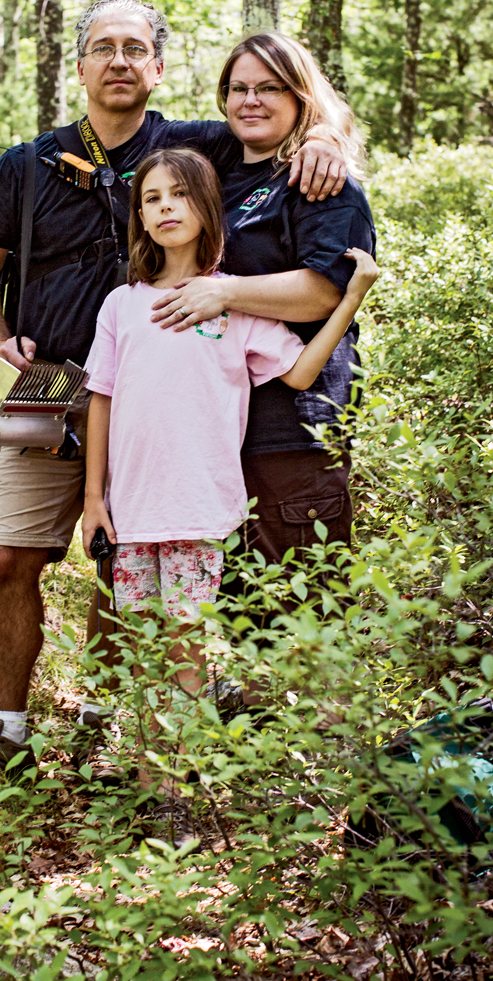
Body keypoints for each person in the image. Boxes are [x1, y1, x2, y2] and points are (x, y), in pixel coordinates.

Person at [0, 0, 349, 795]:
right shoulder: (24, 165)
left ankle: (103, 732)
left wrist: (327, 138)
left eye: (136, 49)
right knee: (8, 558)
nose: (119, 61)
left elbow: (278, 124)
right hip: (45, 387)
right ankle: (3, 739)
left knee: (121, 564)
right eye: (103, 48)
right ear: (81, 67)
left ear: (158, 69)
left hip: (147, 406)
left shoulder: (196, 148)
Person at [80, 147, 377, 827]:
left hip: (198, 508)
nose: (163, 208)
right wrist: (95, 498)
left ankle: (178, 794)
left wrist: (351, 297)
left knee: (184, 643)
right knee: (146, 644)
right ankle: (150, 779)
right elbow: (100, 398)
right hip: (131, 512)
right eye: (151, 198)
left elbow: (300, 372)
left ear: (207, 210)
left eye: (178, 196)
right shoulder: (123, 305)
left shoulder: (231, 305)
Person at [144, 33, 376, 682]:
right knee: (247, 618)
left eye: (268, 88)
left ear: (300, 96)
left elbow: (322, 291)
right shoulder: (219, 158)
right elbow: (140, 127)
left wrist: (224, 292)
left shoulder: (320, 181)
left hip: (295, 429)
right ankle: (261, 772)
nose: (250, 100)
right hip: (224, 439)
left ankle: (315, 772)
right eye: (239, 88)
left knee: (304, 625)